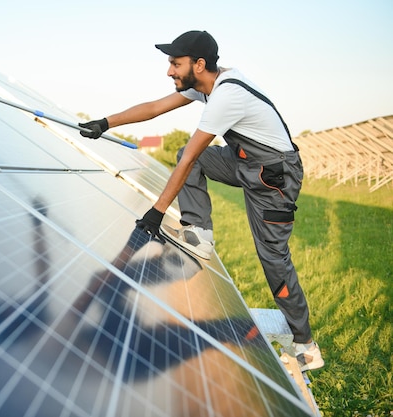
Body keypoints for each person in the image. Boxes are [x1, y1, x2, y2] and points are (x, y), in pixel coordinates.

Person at [78, 30, 324, 371]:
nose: (169, 72)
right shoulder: (205, 85)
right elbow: (154, 108)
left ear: (199, 64)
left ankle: (306, 345)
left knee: (273, 261)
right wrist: (106, 122)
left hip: (275, 180)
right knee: (185, 154)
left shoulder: (227, 96)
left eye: (175, 64)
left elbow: (191, 158)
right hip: (243, 162)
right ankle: (199, 234)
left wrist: (157, 211)